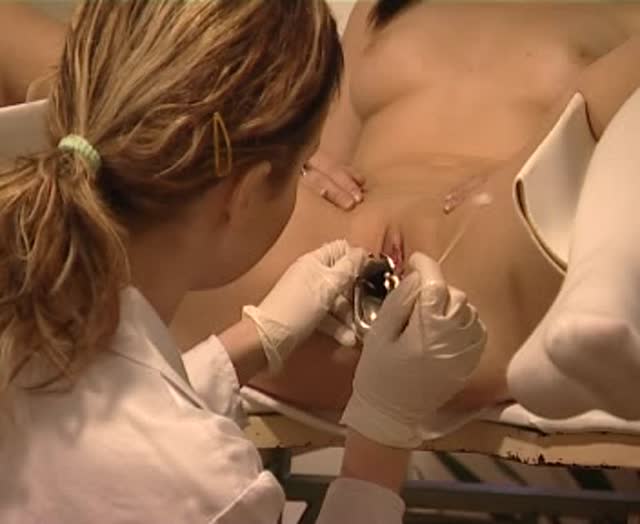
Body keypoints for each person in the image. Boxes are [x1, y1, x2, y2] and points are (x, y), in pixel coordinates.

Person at [0, 1, 486, 523]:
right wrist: (382, 434)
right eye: (302, 167)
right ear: (245, 195)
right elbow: (150, 452)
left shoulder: (33, 328)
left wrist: (256, 339)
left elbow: (121, 410)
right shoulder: (206, 485)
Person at [171, 0, 640, 420]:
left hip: (496, 234)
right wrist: (302, 164)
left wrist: (529, 165)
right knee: (200, 196)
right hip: (327, 251)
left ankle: (574, 315)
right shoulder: (378, 8)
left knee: (537, 183)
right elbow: (325, 149)